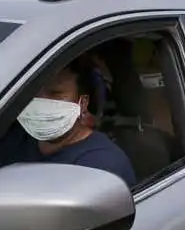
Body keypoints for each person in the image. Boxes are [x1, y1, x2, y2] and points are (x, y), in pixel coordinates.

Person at [0, 58, 136, 187]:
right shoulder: (14, 137)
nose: (40, 102)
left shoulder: (101, 165)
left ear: (82, 104)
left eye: (55, 93)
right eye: (32, 92)